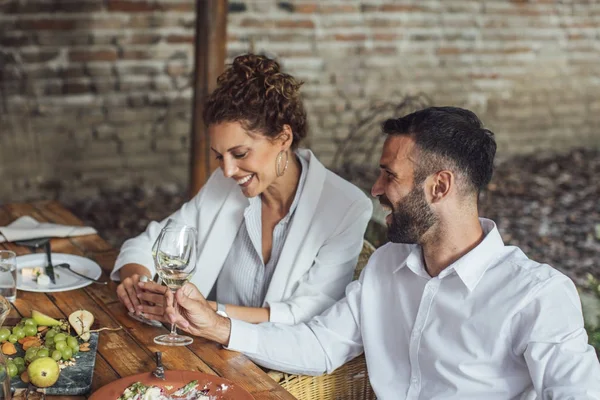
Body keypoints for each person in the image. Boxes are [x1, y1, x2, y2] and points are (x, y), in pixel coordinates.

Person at [147, 107, 600, 399]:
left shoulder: (537, 295)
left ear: (439, 186)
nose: (375, 189)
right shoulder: (388, 267)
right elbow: (322, 345)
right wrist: (219, 325)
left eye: (389, 176)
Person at [111, 54, 372, 325]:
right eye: (219, 156)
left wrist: (209, 313)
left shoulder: (347, 206)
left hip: (278, 361)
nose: (227, 170)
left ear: (284, 138)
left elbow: (310, 313)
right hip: (208, 350)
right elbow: (149, 244)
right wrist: (137, 281)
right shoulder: (223, 184)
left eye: (240, 153)